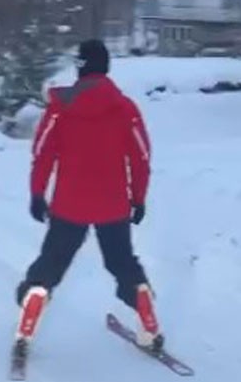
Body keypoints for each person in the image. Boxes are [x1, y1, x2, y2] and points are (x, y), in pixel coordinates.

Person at [14, 39, 162, 358]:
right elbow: (141, 156)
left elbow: (42, 153)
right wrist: (138, 198)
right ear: (106, 67)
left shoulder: (60, 106)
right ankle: (142, 304)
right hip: (113, 204)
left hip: (70, 204)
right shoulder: (124, 108)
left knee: (52, 261)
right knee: (122, 262)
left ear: (80, 67)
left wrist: (38, 193)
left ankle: (36, 295)